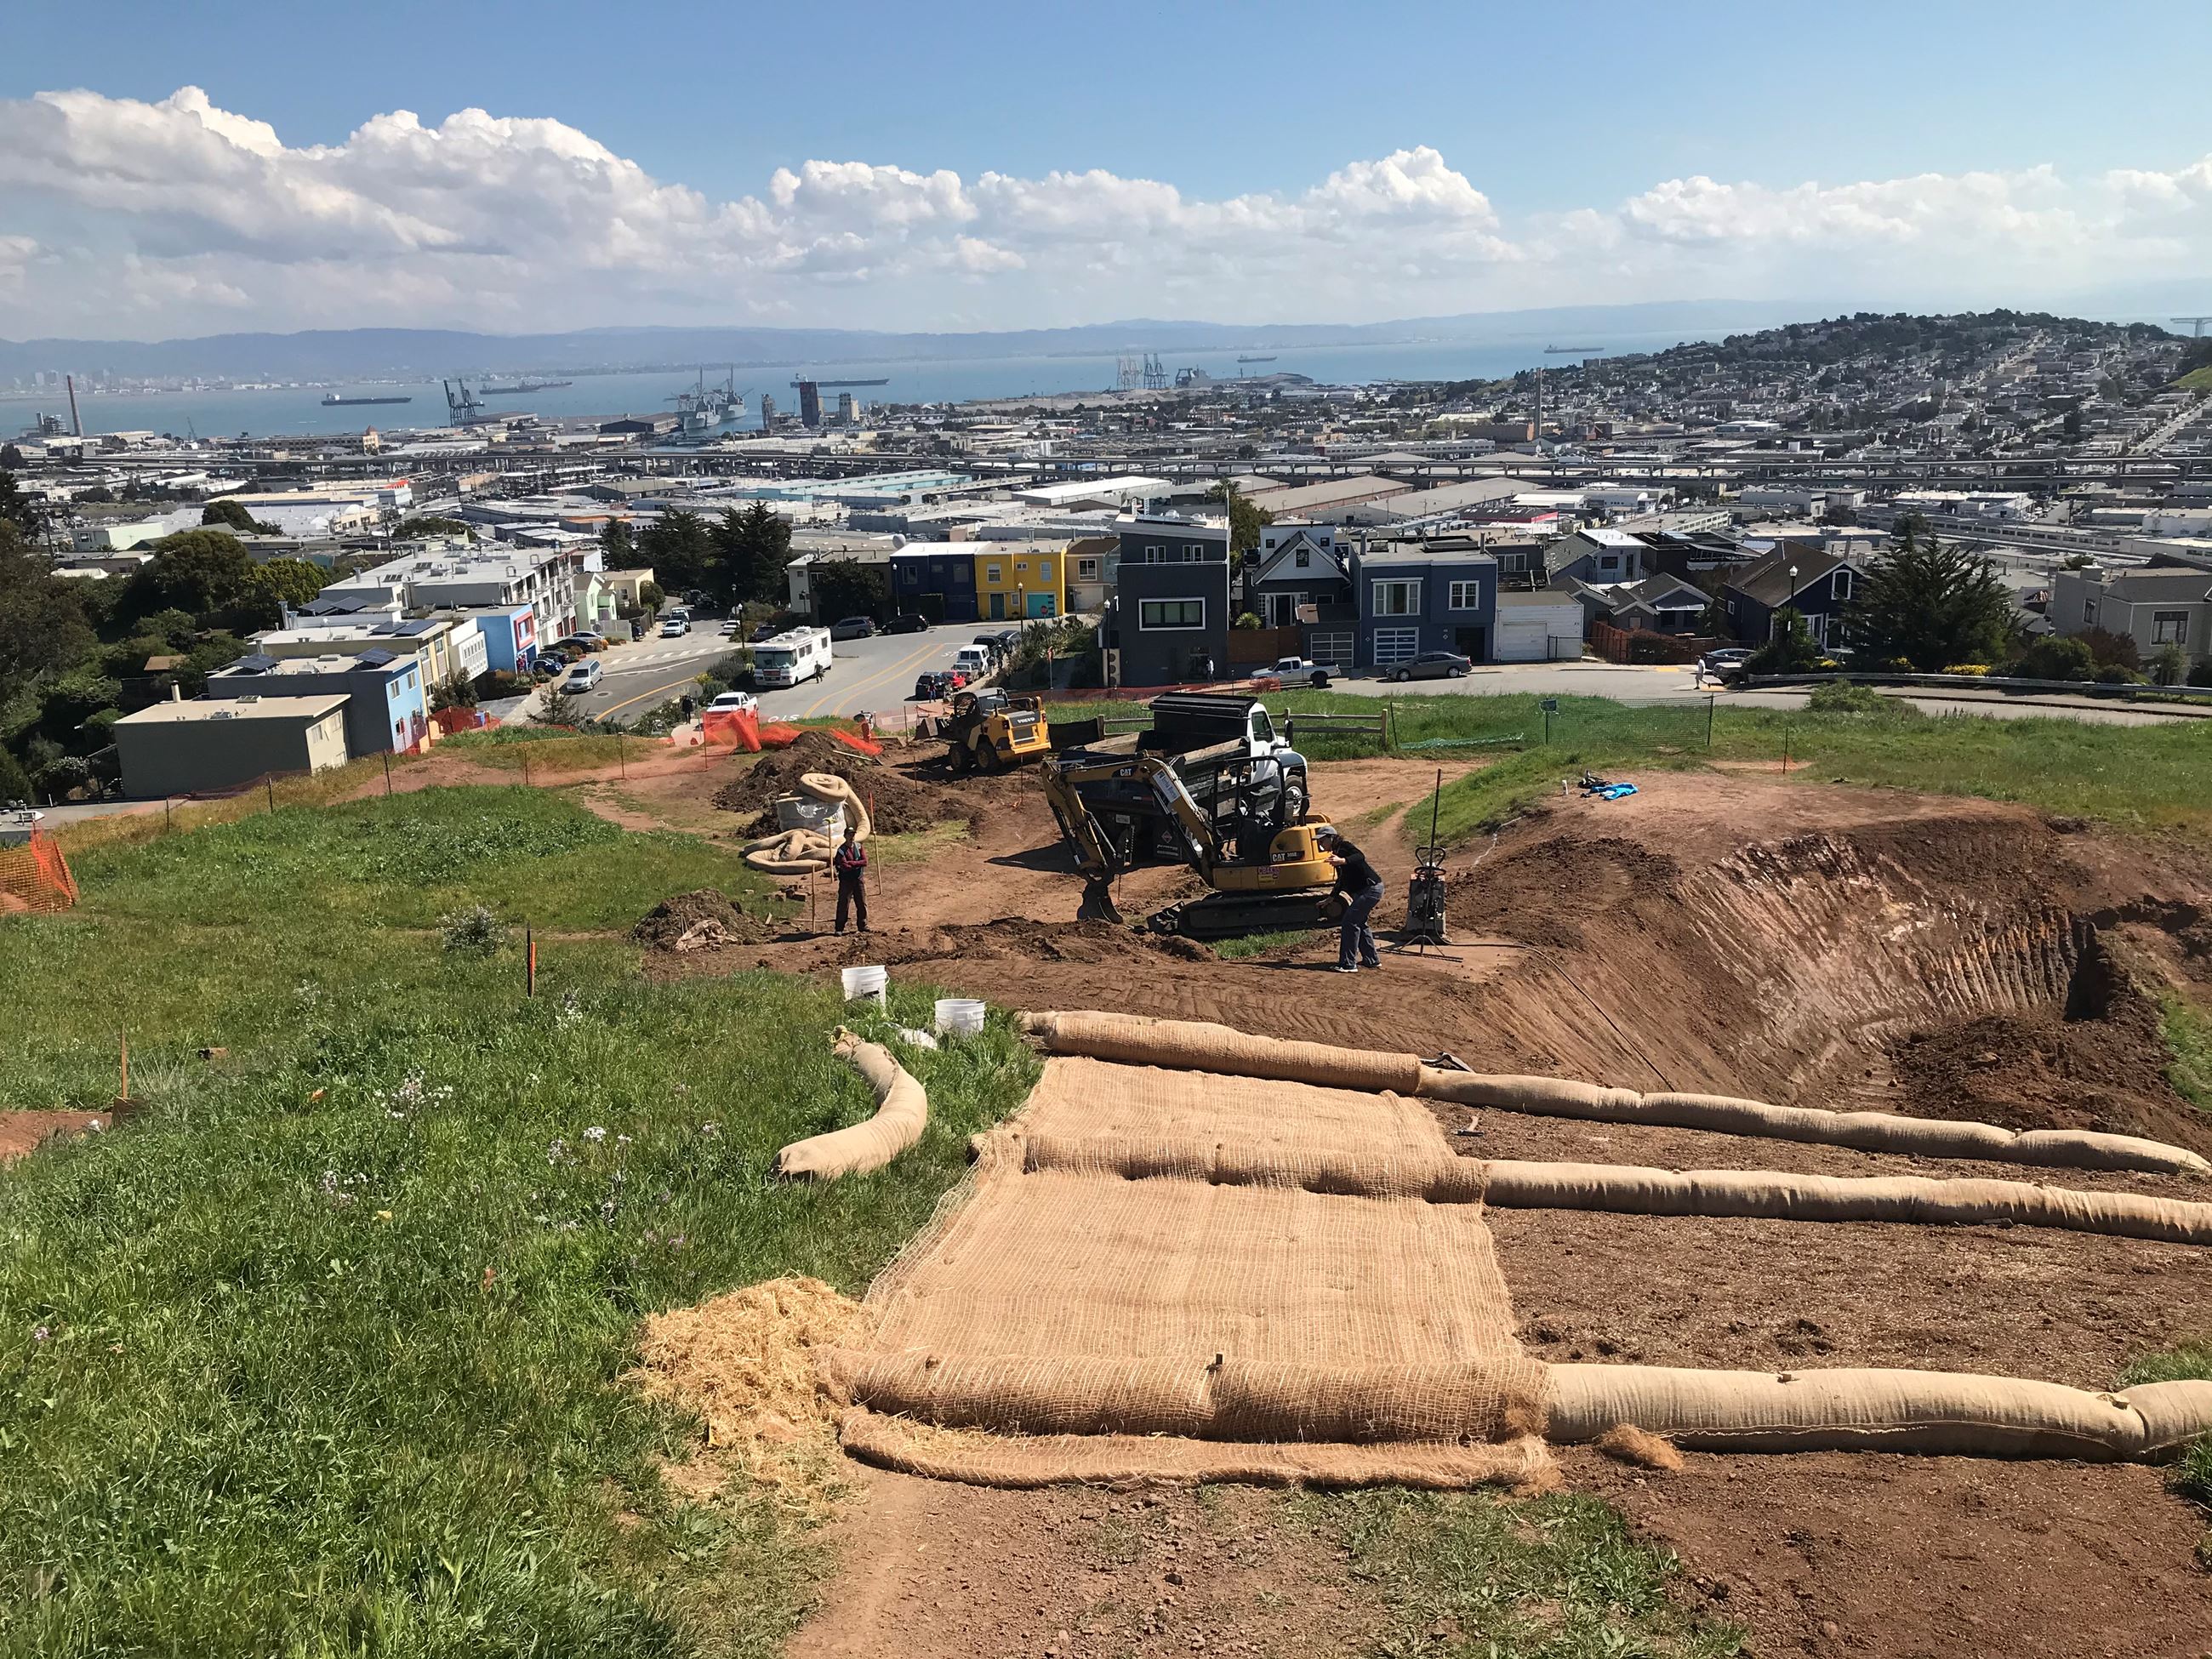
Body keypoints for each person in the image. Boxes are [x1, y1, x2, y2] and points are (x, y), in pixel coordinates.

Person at [1318, 825, 1384, 973]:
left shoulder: (1345, 847)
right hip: (1365, 891)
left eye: (1322, 840)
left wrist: (1343, 860)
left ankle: (1348, 964)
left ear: (1331, 838)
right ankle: (1371, 960)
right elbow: (1341, 880)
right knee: (1360, 922)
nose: (1320, 844)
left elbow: (1360, 856)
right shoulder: (1336, 854)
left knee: (1349, 921)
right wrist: (1330, 899)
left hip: (1371, 889)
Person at [831, 821, 869, 934]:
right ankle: (839, 928)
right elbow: (844, 866)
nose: (851, 837)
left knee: (862, 903)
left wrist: (852, 863)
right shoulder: (841, 850)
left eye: (853, 834)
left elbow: (865, 861)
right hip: (846, 881)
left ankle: (863, 925)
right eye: (849, 834)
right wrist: (856, 864)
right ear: (845, 836)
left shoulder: (859, 846)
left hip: (858, 879)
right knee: (843, 904)